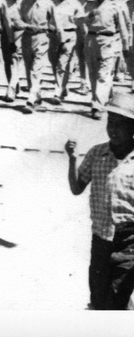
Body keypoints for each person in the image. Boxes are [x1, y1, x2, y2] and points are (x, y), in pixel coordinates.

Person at [64, 92, 134, 310]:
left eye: (119, 125)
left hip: (130, 241)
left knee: (118, 293)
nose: (113, 129)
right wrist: (72, 159)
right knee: (98, 294)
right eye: (110, 123)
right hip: (101, 238)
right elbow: (77, 188)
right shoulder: (97, 154)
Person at [84, 0, 129, 120]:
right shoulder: (89, 5)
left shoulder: (114, 6)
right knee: (92, 73)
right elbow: (79, 21)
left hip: (108, 41)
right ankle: (104, 96)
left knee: (103, 74)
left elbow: (122, 28)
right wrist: (88, 16)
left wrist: (125, 45)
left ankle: (97, 106)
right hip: (91, 40)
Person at [19, 0, 59, 114]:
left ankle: (30, 99)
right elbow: (17, 20)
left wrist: (57, 37)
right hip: (27, 36)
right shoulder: (24, 2)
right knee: (29, 68)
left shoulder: (48, 3)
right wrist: (25, 26)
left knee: (37, 68)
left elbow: (55, 23)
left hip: (42, 37)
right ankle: (36, 97)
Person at [49, 0, 85, 105]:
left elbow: (80, 21)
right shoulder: (51, 0)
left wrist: (83, 38)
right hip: (53, 35)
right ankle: (63, 87)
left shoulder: (75, 2)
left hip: (69, 35)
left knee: (61, 64)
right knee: (53, 62)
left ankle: (57, 92)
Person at [2, 0, 25, 102]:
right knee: (7, 62)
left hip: (19, 35)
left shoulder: (24, 3)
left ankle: (10, 90)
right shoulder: (5, 2)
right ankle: (14, 84)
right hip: (6, 35)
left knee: (14, 61)